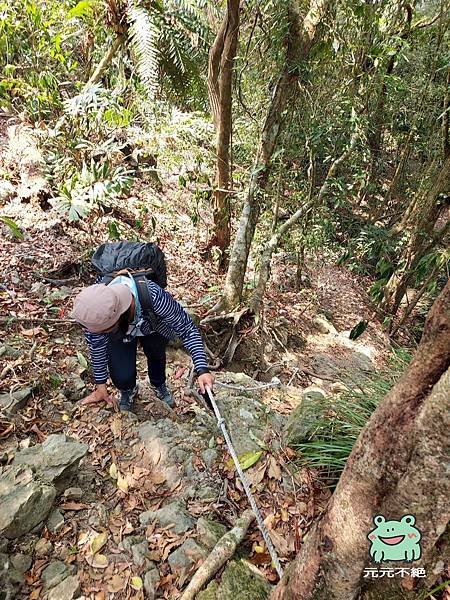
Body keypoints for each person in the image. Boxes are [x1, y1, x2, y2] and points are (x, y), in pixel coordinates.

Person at [71, 273, 214, 411]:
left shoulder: (154, 296)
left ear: (118, 317)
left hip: (152, 325)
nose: (98, 335)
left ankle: (158, 383)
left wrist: (202, 368)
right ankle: (128, 390)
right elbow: (96, 347)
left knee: (156, 355)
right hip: (119, 332)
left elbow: (187, 328)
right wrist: (100, 386)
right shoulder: (94, 313)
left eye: (102, 332)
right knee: (121, 376)